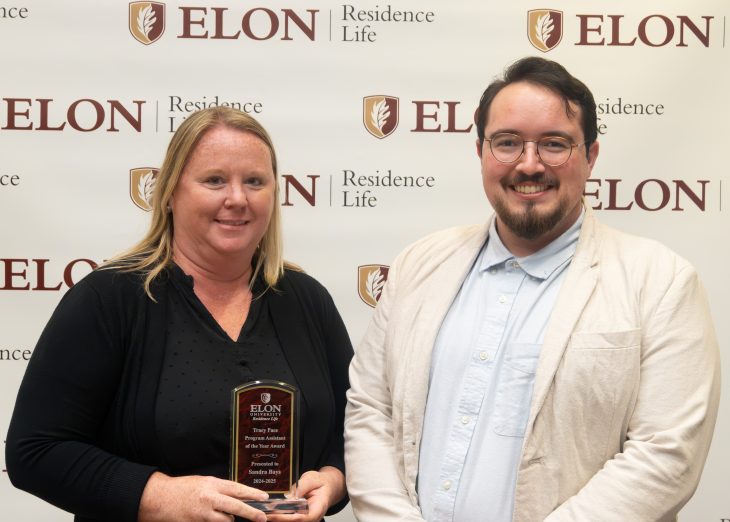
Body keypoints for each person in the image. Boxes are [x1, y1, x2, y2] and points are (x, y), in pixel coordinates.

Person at [344, 56, 721, 521]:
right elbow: (370, 410)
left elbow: (666, 455)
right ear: (480, 151)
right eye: (507, 143)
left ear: (591, 156)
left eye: (554, 144)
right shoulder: (418, 265)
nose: (529, 164)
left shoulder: (661, 282)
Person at [6, 107, 353, 522]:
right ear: (171, 192)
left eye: (255, 182)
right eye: (214, 180)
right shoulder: (109, 300)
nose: (237, 198)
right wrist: (160, 495)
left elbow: (353, 431)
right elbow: (36, 450)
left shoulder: (306, 300)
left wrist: (334, 479)